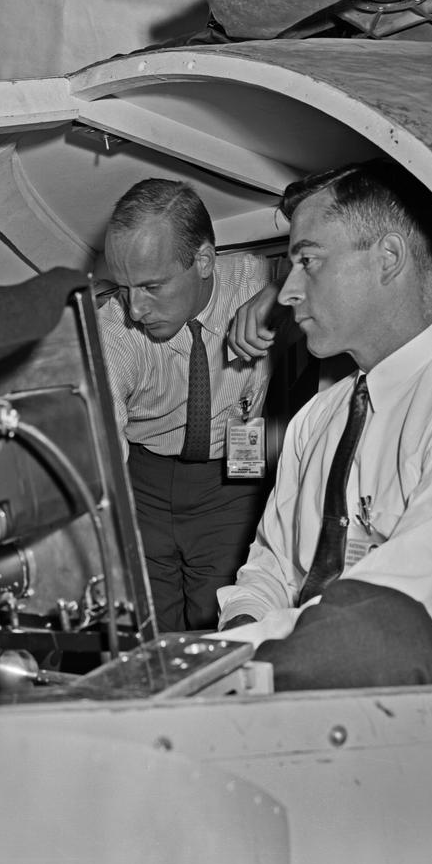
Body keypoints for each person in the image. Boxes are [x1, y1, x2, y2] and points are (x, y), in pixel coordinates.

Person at [214, 159, 432, 689]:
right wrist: (237, 636)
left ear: (389, 258)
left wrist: (214, 659)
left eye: (309, 261)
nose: (286, 293)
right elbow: (270, 569)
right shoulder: (316, 419)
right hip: (310, 690)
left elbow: (381, 616)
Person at [97, 179, 278, 633]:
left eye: (151, 286)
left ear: (203, 260)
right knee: (151, 634)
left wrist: (283, 295)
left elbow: (331, 260)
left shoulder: (258, 283)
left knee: (223, 626)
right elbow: (102, 442)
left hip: (234, 476)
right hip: (142, 482)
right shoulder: (114, 330)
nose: (135, 309)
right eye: (124, 288)